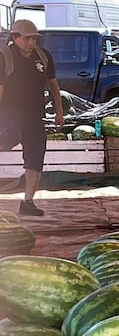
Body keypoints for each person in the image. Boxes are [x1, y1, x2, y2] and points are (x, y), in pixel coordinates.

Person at [0, 20, 64, 217]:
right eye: (27, 38)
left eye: (34, 38)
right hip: (10, 112)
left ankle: (28, 202)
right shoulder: (4, 57)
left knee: (36, 158)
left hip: (36, 115)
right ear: (15, 37)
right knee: (6, 140)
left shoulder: (43, 57)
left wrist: (59, 112)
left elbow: (53, 86)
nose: (31, 42)